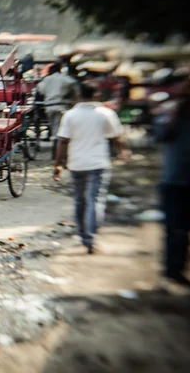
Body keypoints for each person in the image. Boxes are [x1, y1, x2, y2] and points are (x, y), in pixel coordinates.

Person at [152, 69, 190, 289]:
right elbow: (159, 137)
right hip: (172, 178)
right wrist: (173, 115)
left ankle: (178, 270)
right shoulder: (168, 112)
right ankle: (171, 270)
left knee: (184, 228)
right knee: (173, 229)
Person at [53, 83, 128, 254]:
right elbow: (116, 136)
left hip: (76, 163)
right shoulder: (106, 113)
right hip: (98, 163)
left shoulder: (70, 115)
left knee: (80, 200)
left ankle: (83, 235)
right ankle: (90, 238)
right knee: (94, 200)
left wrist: (57, 164)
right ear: (96, 95)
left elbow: (62, 140)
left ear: (79, 95)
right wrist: (123, 151)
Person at [36, 62, 78, 156]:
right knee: (61, 129)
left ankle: (55, 152)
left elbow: (40, 90)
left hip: (49, 106)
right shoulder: (65, 79)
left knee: (54, 128)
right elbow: (73, 85)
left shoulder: (45, 80)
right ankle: (59, 153)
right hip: (62, 106)